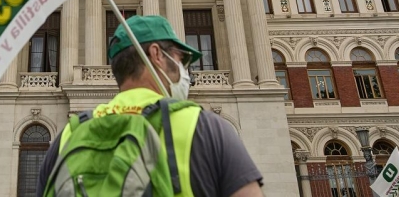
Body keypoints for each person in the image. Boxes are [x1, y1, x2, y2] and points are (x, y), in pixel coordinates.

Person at [36, 15, 264, 197]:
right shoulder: (204, 128)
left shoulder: (69, 134)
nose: (186, 71)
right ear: (157, 55)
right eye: (181, 59)